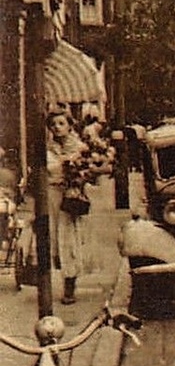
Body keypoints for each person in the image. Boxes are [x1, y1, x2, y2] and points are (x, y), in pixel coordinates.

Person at [45, 110, 97, 305]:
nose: (57, 127)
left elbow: (92, 171)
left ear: (69, 125)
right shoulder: (46, 149)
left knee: (69, 240)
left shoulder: (80, 148)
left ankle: (70, 287)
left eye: (61, 123)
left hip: (70, 198)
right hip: (51, 197)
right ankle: (47, 285)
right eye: (53, 124)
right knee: (52, 239)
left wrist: (79, 177)